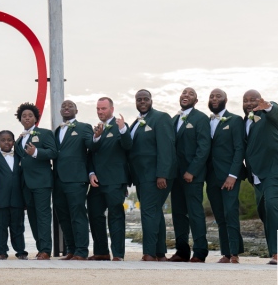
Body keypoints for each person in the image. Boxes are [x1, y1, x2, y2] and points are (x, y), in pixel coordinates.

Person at [243, 90, 278, 265]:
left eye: (253, 100)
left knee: (272, 204)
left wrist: (268, 106)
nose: (249, 103)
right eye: (245, 101)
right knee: (264, 211)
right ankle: (273, 251)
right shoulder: (245, 122)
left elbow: (274, 110)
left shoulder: (269, 116)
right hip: (258, 175)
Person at [128, 89, 176, 262]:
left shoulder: (161, 118)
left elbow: (166, 147)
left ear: (151, 100)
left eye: (145, 99)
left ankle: (149, 253)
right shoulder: (137, 122)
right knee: (154, 212)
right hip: (141, 177)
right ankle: (160, 253)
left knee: (148, 212)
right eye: (139, 99)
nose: (142, 101)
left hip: (155, 175)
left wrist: (162, 174)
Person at [168, 87, 211, 263]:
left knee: (195, 213)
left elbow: (204, 147)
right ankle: (182, 251)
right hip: (175, 176)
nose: (186, 95)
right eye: (184, 93)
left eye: (190, 94)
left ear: (196, 100)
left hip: (192, 175)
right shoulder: (173, 119)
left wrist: (191, 171)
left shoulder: (200, 118)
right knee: (178, 214)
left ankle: (200, 252)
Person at [87, 97, 131, 261]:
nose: (100, 112)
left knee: (116, 216)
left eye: (103, 109)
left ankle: (118, 254)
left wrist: (123, 130)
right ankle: (101, 252)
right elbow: (91, 153)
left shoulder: (120, 127)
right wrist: (91, 173)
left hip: (115, 180)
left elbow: (128, 146)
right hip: (97, 182)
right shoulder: (97, 129)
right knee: (94, 214)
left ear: (111, 109)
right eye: (98, 109)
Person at [206, 89, 246, 264]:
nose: (214, 99)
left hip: (229, 176)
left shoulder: (235, 120)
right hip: (211, 176)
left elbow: (239, 149)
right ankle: (226, 252)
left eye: (218, 96)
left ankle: (235, 253)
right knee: (219, 215)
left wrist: (232, 175)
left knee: (230, 212)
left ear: (226, 100)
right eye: (212, 97)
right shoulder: (206, 122)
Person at [14, 102, 57, 260]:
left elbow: (53, 152)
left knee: (43, 216)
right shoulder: (19, 140)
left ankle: (46, 250)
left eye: (30, 116)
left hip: (42, 182)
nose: (27, 118)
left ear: (36, 118)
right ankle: (40, 248)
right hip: (25, 184)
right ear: (20, 119)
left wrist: (36, 152)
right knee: (32, 217)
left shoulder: (45, 133)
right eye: (24, 116)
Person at [52, 99, 93, 260]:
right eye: (63, 106)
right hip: (58, 180)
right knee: (63, 216)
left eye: (70, 106)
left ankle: (82, 251)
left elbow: (92, 145)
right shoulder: (57, 131)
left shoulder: (83, 128)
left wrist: (96, 137)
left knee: (78, 215)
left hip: (76, 179)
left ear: (76, 111)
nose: (66, 108)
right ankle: (71, 249)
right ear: (60, 112)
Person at [0, 130, 27, 260]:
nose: (6, 142)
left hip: (17, 199)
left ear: (14, 142)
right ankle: (2, 252)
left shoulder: (19, 157)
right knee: (1, 227)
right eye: (3, 140)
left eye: (9, 140)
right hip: (0, 200)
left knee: (18, 227)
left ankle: (20, 251)